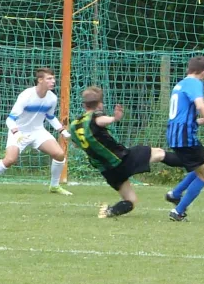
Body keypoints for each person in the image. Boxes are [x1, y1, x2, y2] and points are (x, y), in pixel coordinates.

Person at [70, 86, 183, 218]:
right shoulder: (95, 117)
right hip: (121, 160)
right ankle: (191, 162)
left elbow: (76, 144)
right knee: (159, 153)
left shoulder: (74, 125)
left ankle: (109, 212)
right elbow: (99, 121)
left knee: (131, 201)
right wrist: (114, 119)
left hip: (108, 171)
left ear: (84, 104)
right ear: (100, 104)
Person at [0, 68, 73, 195]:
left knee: (59, 154)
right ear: (40, 80)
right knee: (10, 160)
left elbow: (50, 117)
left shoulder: (52, 98)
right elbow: (10, 119)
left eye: (53, 78)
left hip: (38, 131)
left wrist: (62, 131)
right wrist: (16, 133)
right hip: (19, 132)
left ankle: (54, 186)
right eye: (49, 78)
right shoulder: (26, 95)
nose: (53, 81)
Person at [165, 55, 204, 222]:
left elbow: (189, 119)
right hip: (184, 137)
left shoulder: (180, 84)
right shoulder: (195, 83)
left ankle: (175, 193)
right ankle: (178, 211)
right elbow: (201, 106)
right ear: (203, 72)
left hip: (179, 134)